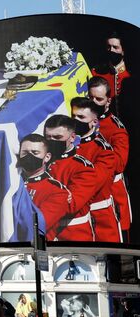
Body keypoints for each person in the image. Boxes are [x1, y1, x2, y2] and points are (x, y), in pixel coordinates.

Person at [88, 76, 132, 242]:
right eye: (90, 97)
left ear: (108, 101)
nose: (93, 102)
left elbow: (119, 165)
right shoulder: (83, 121)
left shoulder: (116, 129)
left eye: (98, 99)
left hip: (111, 193)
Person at [70, 97, 120, 242]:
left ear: (94, 122)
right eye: (73, 116)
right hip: (79, 224)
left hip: (101, 219)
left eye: (81, 117)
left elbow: (92, 184)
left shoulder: (103, 150)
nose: (76, 120)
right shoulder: (71, 146)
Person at [43, 115, 97, 241]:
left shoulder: (82, 167)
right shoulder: (43, 159)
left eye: (58, 137)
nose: (52, 141)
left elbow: (72, 205)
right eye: (48, 137)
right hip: (46, 234)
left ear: (72, 137)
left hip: (72, 234)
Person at [18, 134, 70, 240]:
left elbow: (36, 227)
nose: (29, 156)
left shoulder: (57, 191)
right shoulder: (13, 182)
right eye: (25, 153)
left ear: (47, 157)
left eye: (35, 153)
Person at [92, 32, 131, 116]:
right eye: (109, 47)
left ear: (123, 51)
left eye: (115, 47)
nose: (111, 50)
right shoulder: (96, 73)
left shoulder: (131, 75)